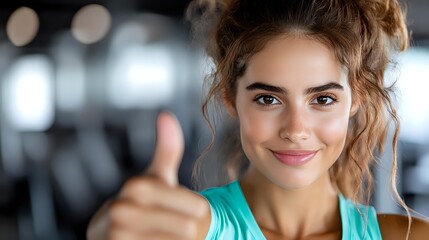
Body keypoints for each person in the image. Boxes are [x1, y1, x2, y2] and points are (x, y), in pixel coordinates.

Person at [87, 0, 429, 239]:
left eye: (323, 99)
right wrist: (105, 229)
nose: (295, 130)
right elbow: (124, 226)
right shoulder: (192, 229)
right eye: (268, 99)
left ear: (355, 101)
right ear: (230, 99)